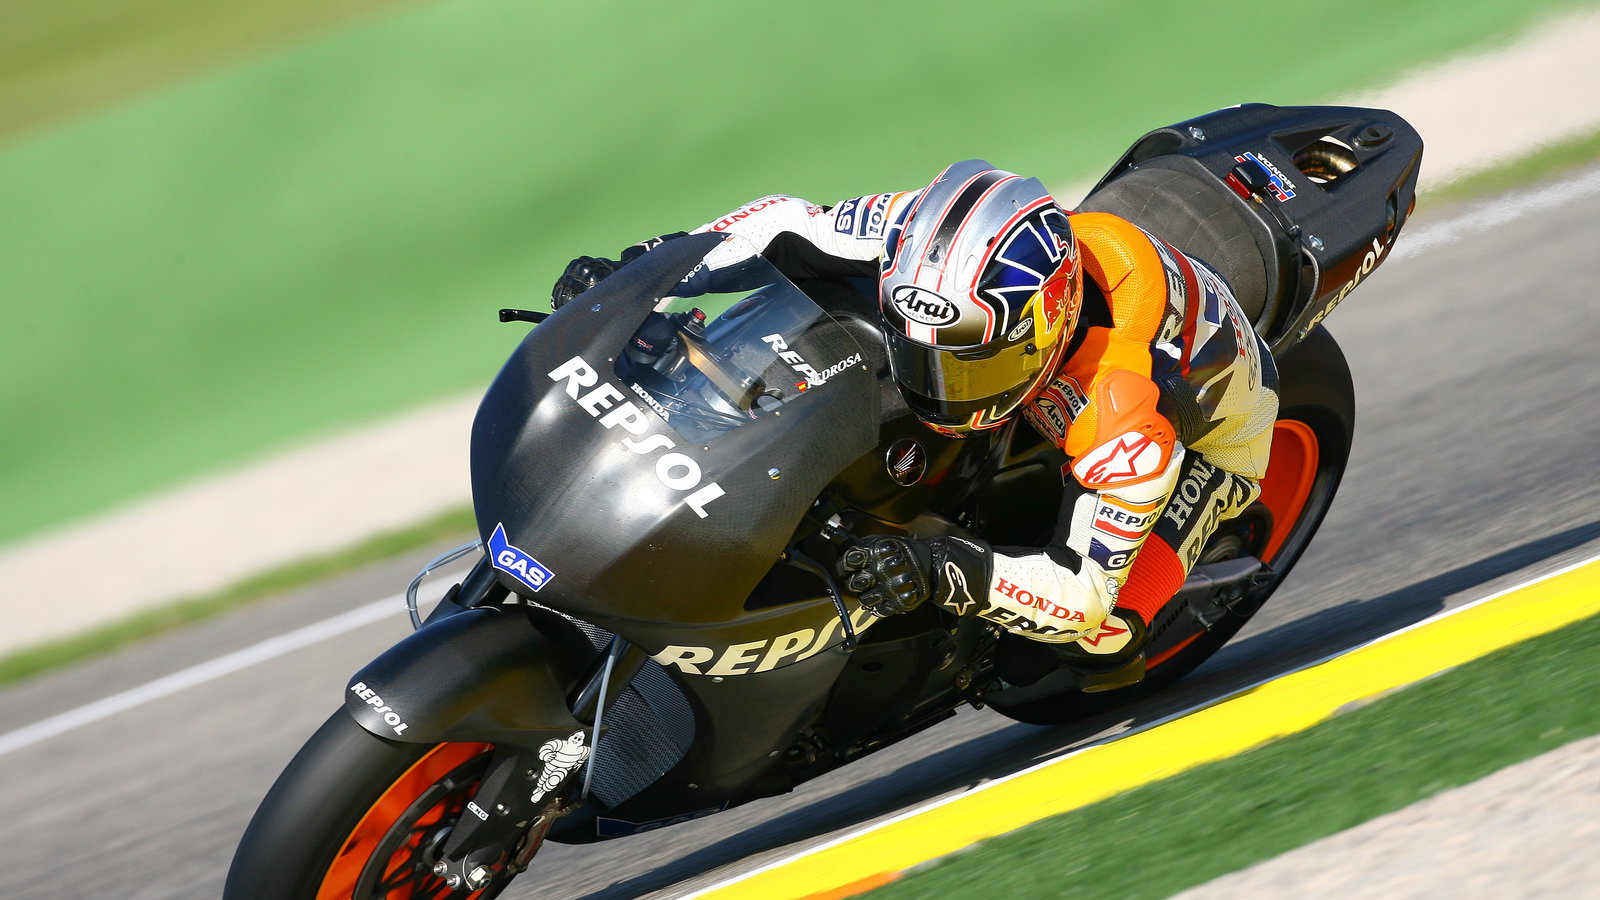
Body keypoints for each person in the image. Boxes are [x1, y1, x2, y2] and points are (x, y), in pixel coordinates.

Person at [552, 160, 1277, 690]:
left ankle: (1190, 569)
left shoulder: (1123, 416)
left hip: (1216, 437)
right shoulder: (926, 240)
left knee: (1084, 651)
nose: (936, 384)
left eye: (967, 364)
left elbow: (1078, 594)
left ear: (1044, 331)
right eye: (922, 351)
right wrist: (648, 272)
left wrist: (941, 571)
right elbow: (784, 223)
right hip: (1061, 360)